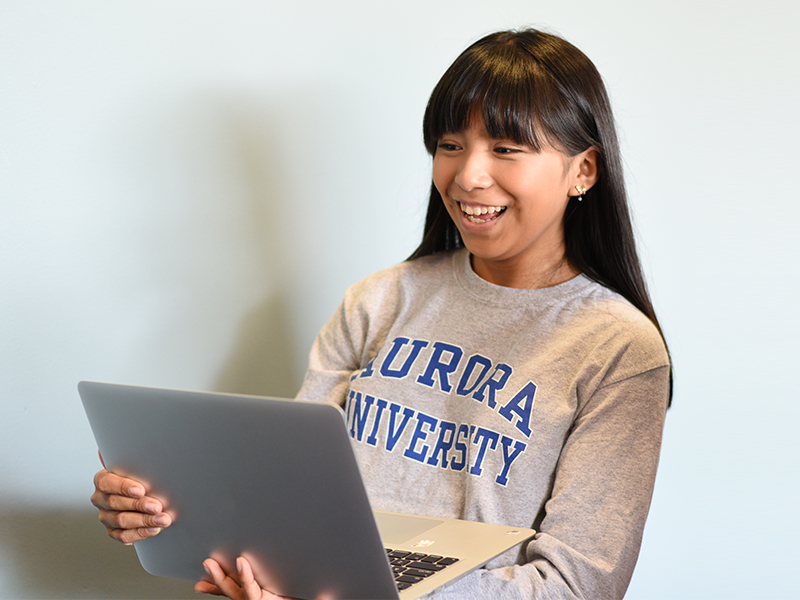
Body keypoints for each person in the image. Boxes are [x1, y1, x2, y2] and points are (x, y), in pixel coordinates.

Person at [92, 28, 671, 600]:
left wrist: (366, 591)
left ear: (583, 171)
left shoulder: (618, 349)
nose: (468, 175)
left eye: (506, 148)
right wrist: (161, 510)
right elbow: (291, 500)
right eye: (450, 145)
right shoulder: (379, 301)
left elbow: (577, 587)